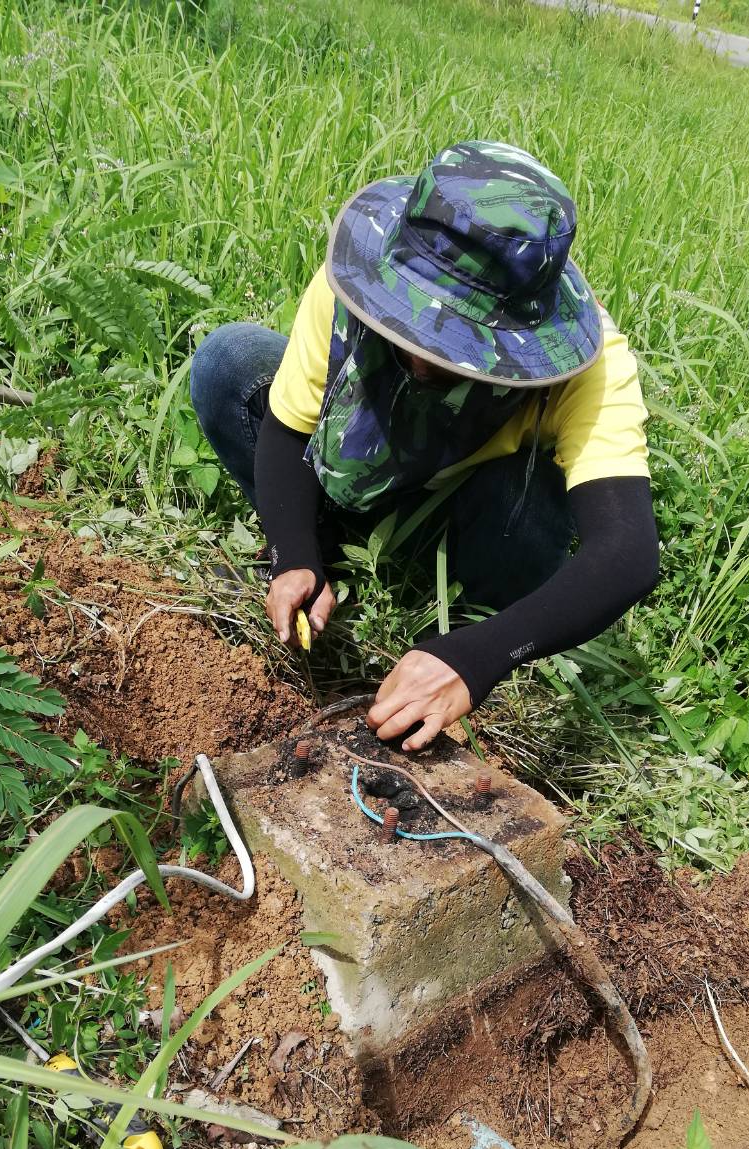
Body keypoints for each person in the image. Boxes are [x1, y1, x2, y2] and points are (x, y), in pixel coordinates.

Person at [190, 140, 659, 752]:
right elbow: (286, 430)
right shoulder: (352, 280)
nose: (420, 354)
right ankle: (327, 554)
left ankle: (468, 609)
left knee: (538, 491)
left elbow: (627, 551)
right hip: (355, 470)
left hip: (464, 518)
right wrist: (294, 551)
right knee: (229, 361)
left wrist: (478, 656)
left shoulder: (591, 366)